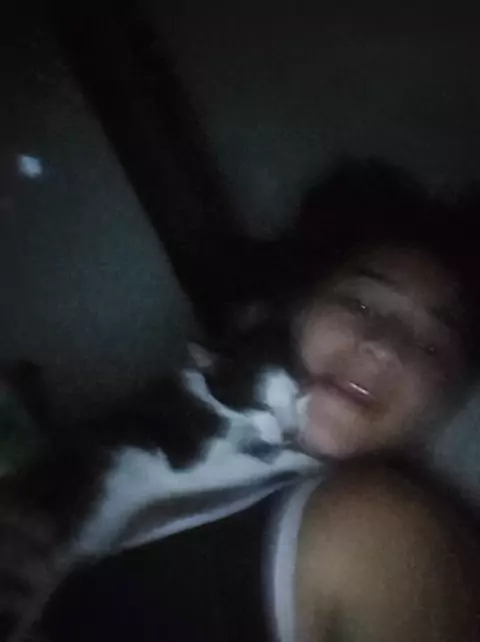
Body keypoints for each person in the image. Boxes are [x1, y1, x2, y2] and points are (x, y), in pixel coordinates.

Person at [40, 162, 480, 641]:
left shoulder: (386, 537)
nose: (384, 345)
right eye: (360, 304)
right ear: (294, 309)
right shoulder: (171, 443)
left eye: (432, 344)